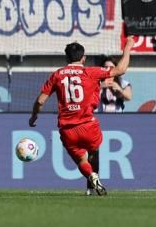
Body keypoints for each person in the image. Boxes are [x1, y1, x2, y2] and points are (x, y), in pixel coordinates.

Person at [29, 37, 135, 196]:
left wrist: (34, 117)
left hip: (67, 129)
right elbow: (120, 70)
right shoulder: (90, 72)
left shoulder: (57, 75)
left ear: (66, 58)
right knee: (94, 153)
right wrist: (127, 47)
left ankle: (91, 177)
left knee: (81, 161)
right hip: (87, 124)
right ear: (83, 58)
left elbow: (40, 100)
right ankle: (93, 186)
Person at [84, 56, 132, 195]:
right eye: (106, 68)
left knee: (105, 154)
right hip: (98, 120)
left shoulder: (122, 82)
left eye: (111, 68)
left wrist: (118, 89)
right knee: (93, 153)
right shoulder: (96, 82)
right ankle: (91, 186)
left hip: (118, 121)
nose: (109, 72)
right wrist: (100, 86)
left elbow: (129, 97)